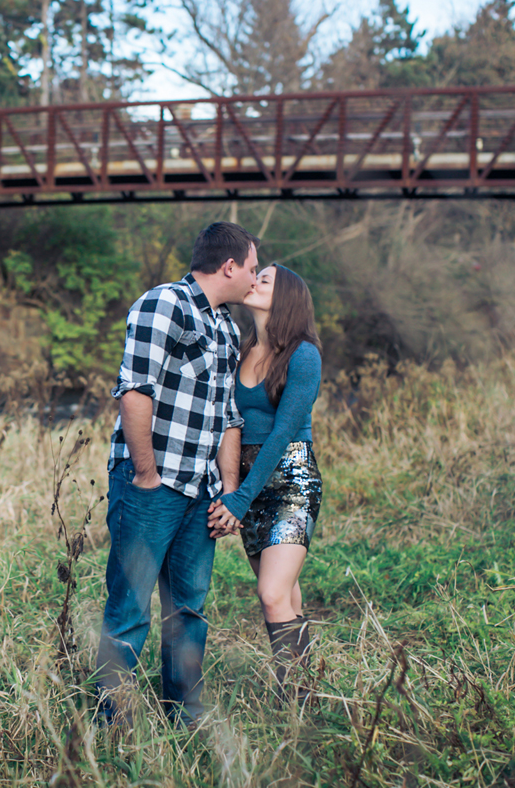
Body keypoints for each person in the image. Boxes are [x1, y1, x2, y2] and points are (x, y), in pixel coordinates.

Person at [95, 221, 259, 728]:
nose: (255, 278)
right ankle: (111, 723)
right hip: (152, 486)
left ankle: (184, 717)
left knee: (188, 610)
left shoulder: (227, 327)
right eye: (252, 268)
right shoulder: (164, 303)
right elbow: (134, 391)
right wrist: (146, 475)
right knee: (130, 610)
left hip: (201, 493)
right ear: (228, 266)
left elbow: (229, 416)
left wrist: (229, 491)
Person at [206, 263, 323, 702]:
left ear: (286, 296)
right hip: (249, 486)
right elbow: (229, 422)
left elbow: (282, 433)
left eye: (265, 279)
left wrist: (239, 500)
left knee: (271, 592)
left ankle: (292, 698)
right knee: (284, 595)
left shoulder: (303, 355)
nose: (253, 281)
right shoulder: (242, 349)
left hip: (291, 480)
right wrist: (232, 489)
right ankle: (307, 693)